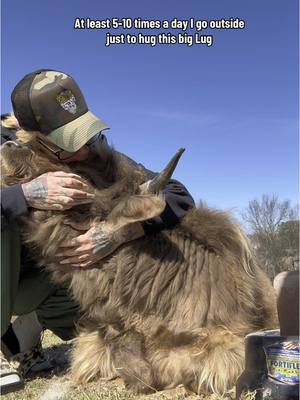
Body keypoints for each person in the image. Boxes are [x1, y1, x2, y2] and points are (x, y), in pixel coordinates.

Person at [0, 69, 195, 394]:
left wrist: (119, 234)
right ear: (29, 134)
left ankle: (26, 332)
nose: (84, 150)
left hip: (50, 286)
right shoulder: (5, 149)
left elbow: (176, 195)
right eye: (68, 141)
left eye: (84, 132)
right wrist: (24, 195)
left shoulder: (96, 150)